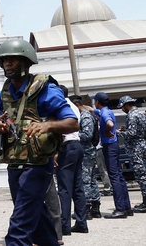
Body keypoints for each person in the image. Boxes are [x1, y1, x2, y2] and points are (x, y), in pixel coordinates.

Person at [0, 38, 78, 246]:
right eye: (4, 60)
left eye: (12, 60)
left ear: (25, 63)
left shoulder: (45, 90)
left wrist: (48, 126)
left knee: (20, 222)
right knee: (35, 212)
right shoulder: (3, 94)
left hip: (38, 165)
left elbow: (72, 123)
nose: (7, 64)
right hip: (15, 164)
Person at [92, 92, 132, 218]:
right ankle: (127, 208)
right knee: (119, 176)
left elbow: (109, 124)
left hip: (109, 147)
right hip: (114, 146)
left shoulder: (104, 113)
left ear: (97, 102)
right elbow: (94, 111)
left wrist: (106, 131)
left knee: (114, 177)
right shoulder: (106, 111)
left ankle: (120, 209)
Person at [55, 86, 88, 235]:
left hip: (67, 147)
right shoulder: (73, 106)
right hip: (77, 146)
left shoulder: (61, 105)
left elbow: (62, 131)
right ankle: (81, 222)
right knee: (77, 187)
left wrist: (55, 152)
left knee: (64, 188)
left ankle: (65, 226)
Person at [117, 95, 146, 213]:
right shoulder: (140, 114)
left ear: (127, 105)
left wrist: (119, 132)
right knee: (145, 174)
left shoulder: (132, 115)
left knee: (141, 175)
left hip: (136, 149)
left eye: (122, 107)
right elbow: (144, 131)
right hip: (142, 146)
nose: (122, 109)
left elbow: (132, 133)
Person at [69, 95, 102, 219]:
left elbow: (87, 134)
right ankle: (95, 207)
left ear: (77, 105)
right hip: (87, 152)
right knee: (91, 180)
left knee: (86, 180)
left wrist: (73, 134)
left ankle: (87, 209)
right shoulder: (86, 115)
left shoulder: (86, 116)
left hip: (86, 152)